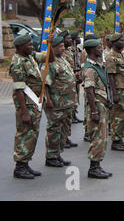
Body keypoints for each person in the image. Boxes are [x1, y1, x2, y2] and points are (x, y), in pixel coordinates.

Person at [9, 33, 54, 179]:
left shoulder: (30, 56)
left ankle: (26, 164)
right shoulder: (17, 63)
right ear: (21, 47)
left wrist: (50, 45)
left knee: (32, 135)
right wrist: (24, 112)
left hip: (35, 104)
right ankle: (19, 167)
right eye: (29, 44)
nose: (31, 46)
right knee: (24, 135)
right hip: (27, 106)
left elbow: (50, 59)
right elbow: (19, 89)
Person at [43, 35, 77, 168]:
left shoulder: (62, 59)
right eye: (60, 46)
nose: (63, 48)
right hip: (57, 103)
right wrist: (48, 100)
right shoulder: (50, 63)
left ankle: (57, 154)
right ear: (53, 47)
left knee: (64, 129)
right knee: (54, 130)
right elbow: (45, 84)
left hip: (67, 103)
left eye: (63, 46)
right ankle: (50, 156)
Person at [82, 39, 112, 179]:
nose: (101, 49)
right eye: (99, 47)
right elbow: (89, 91)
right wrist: (94, 111)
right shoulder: (89, 68)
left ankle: (98, 165)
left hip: (102, 105)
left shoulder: (98, 66)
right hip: (97, 107)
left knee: (103, 137)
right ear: (92, 50)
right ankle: (93, 168)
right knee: (98, 138)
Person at [106, 33, 124, 151]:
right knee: (117, 116)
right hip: (119, 89)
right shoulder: (111, 56)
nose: (123, 42)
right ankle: (115, 141)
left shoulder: (122, 55)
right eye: (120, 40)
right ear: (113, 42)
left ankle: (120, 139)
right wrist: (114, 93)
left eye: (123, 40)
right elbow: (110, 76)